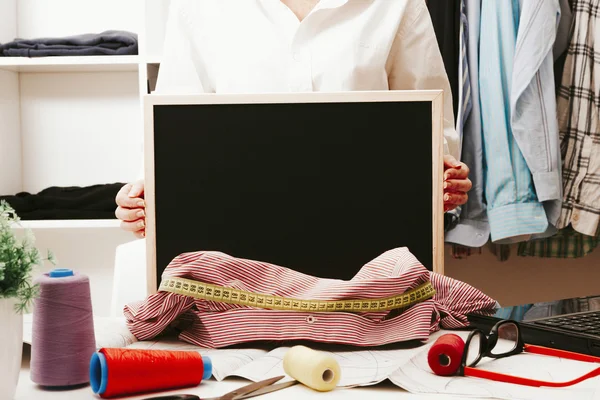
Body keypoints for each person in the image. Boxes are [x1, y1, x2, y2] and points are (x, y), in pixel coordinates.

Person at [115, 0, 472, 238]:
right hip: (235, 258)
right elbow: (174, 134)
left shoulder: (394, 4)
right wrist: (143, 198)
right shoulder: (199, 7)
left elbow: (429, 127)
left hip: (368, 258)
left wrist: (441, 180)